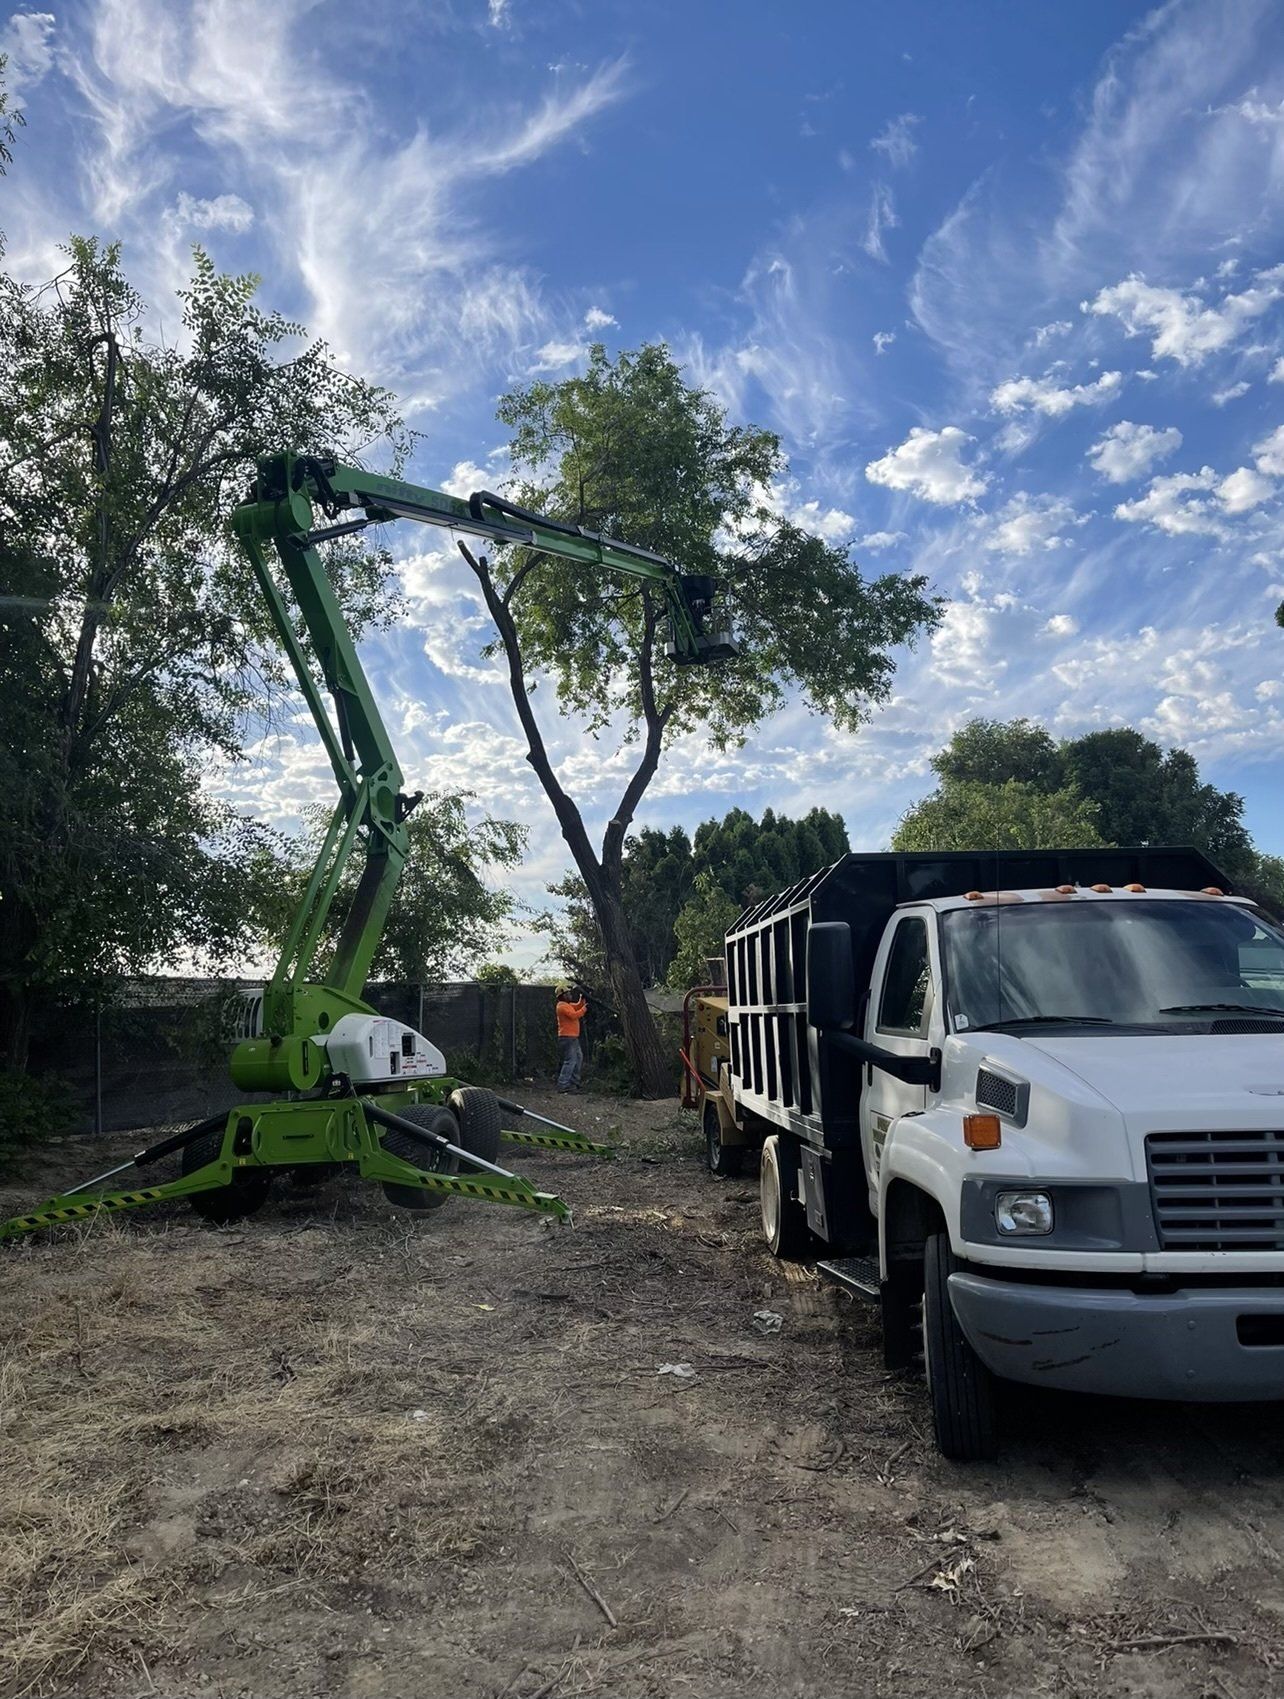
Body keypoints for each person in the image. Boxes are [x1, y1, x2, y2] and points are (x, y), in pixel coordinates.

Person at [554, 983, 588, 1093]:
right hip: (567, 1038)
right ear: (562, 996)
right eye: (567, 994)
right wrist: (584, 1009)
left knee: (578, 1058)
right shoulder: (561, 1006)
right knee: (570, 1061)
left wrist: (582, 998)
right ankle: (563, 1085)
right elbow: (574, 1015)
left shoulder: (567, 1005)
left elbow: (577, 1006)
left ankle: (574, 1083)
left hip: (573, 1037)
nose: (570, 995)